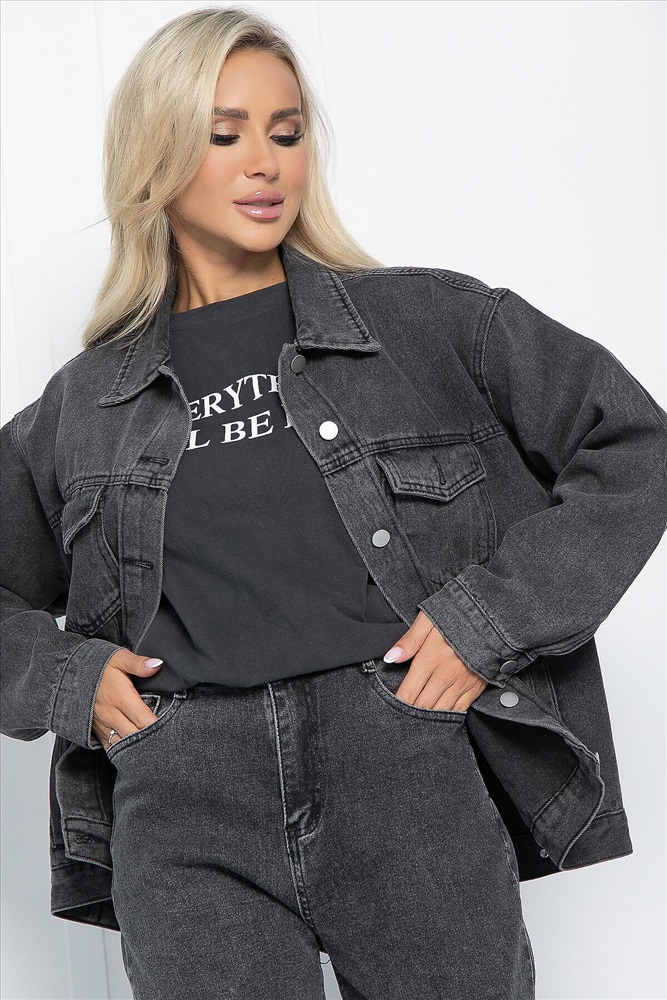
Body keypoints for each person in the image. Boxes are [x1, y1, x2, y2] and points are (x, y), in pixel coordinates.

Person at [1, 6, 666, 1000]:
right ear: (155, 156)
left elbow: (632, 440)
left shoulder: (424, 324)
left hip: (399, 756)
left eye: (286, 131)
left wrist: (487, 622)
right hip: (181, 789)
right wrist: (68, 678)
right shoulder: (82, 406)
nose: (263, 163)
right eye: (224, 134)